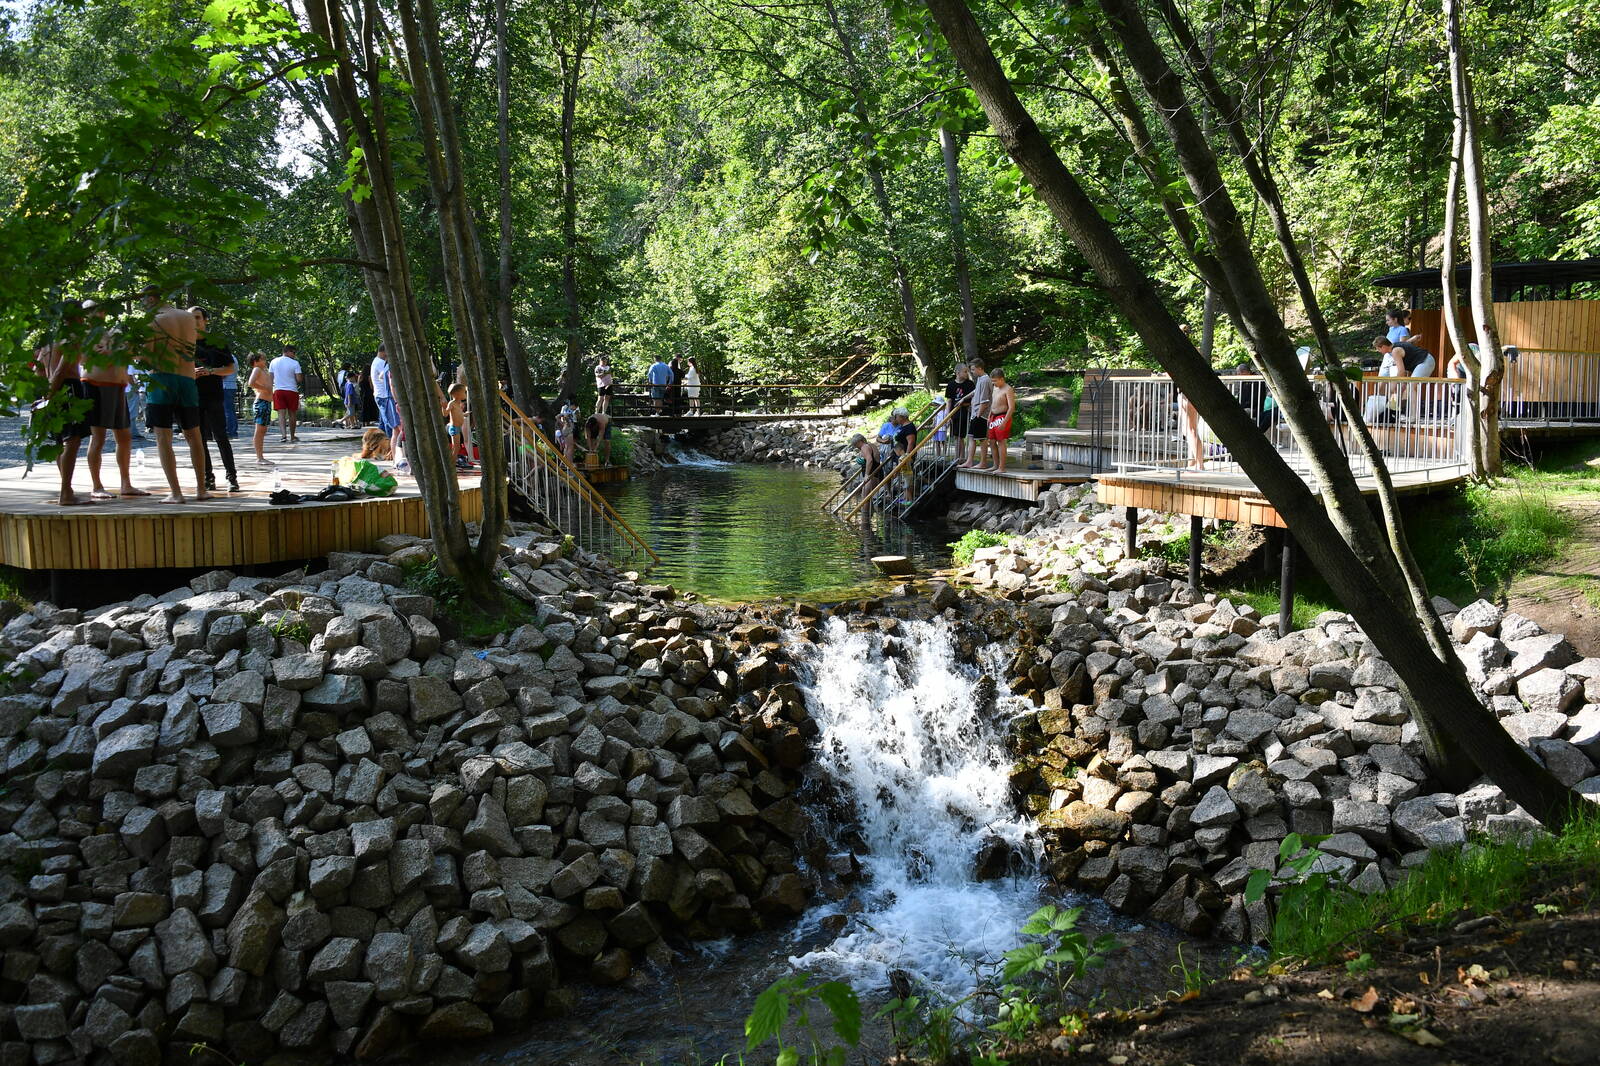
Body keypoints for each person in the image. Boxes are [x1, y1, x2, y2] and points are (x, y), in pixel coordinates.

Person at [141, 288, 209, 503]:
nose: (142, 304)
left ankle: (176, 493)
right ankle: (201, 489)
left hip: (162, 379)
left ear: (152, 298)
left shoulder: (153, 321)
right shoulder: (188, 317)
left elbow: (146, 357)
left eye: (143, 299)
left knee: (164, 438)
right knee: (194, 436)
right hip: (187, 380)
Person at [79, 301, 148, 500]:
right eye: (91, 311)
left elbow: (136, 354)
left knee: (125, 437)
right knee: (98, 437)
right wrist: (112, 352)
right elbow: (85, 359)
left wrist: (128, 348)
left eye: (99, 310)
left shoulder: (113, 334)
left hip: (118, 388)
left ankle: (126, 484)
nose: (97, 313)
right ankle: (97, 486)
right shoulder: (84, 336)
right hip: (95, 386)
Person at [33, 301, 91, 505]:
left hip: (53, 388)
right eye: (82, 315)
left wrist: (44, 392)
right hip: (67, 388)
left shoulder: (50, 341)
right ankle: (66, 492)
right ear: (76, 316)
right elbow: (61, 369)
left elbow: (38, 370)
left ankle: (67, 489)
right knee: (72, 440)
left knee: (60, 441)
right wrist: (51, 392)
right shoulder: (71, 338)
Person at [191, 307, 240, 493]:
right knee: (199, 439)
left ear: (205, 320)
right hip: (192, 397)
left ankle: (232, 478)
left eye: (197, 318)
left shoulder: (217, 343)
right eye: (190, 318)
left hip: (213, 395)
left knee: (221, 437)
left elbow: (230, 369)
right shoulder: (183, 343)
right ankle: (207, 477)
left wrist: (210, 371)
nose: (193, 321)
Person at [269, 344, 303, 442]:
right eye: (294, 352)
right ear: (288, 351)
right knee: (292, 414)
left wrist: (270, 391)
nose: (294, 355)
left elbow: (270, 378)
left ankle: (283, 436)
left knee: (281, 414)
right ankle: (292, 436)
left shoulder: (273, 361)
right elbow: (299, 379)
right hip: (291, 391)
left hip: (278, 390)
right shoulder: (295, 363)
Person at [245, 353, 275, 465]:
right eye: (262, 359)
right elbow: (251, 383)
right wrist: (265, 388)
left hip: (266, 402)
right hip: (261, 402)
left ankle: (261, 456)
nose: (265, 360)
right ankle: (259, 457)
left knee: (263, 430)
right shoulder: (257, 369)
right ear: (256, 361)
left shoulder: (263, 371)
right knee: (259, 431)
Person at [964, 358, 993, 469]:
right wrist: (964, 398)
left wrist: (978, 415)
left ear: (980, 368)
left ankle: (983, 462)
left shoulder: (986, 380)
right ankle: (969, 461)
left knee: (981, 439)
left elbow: (985, 401)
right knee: (971, 437)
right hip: (975, 414)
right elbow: (975, 392)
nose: (972, 372)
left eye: (973, 369)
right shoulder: (980, 379)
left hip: (981, 415)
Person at [986, 367, 1016, 472]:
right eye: (992, 381)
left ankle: (1002, 467)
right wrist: (989, 415)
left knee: (1001, 441)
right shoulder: (995, 388)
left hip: (1003, 416)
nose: (993, 383)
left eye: (995, 381)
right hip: (993, 416)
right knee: (992, 441)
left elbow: (1012, 407)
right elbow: (993, 403)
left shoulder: (1008, 389)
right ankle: (995, 465)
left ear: (1002, 379)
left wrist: (1004, 421)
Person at [944, 363, 973, 464]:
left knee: (960, 436)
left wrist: (964, 404)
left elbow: (972, 400)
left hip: (964, 413)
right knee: (956, 436)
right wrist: (948, 415)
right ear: (958, 372)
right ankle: (959, 457)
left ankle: (960, 457)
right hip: (954, 413)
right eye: (965, 371)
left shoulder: (969, 384)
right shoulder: (951, 384)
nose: (967, 373)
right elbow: (949, 401)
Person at [371, 344, 396, 435]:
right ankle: (389, 443)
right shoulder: (381, 363)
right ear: (384, 351)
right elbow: (385, 376)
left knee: (382, 422)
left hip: (379, 395)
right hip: (384, 396)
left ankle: (379, 442)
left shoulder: (376, 361)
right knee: (389, 422)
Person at [446, 383, 471, 468]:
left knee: (457, 447)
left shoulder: (458, 403)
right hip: (454, 428)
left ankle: (452, 463)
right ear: (457, 394)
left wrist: (464, 414)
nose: (465, 394)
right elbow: (446, 414)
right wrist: (443, 407)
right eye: (463, 392)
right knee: (456, 448)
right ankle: (451, 465)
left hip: (457, 428)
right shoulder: (451, 403)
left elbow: (457, 413)